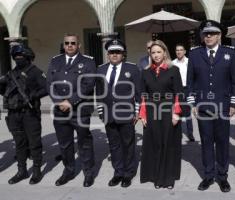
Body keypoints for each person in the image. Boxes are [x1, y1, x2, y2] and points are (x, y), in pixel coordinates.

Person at [187, 20, 235, 193]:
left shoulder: (230, 53)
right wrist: (192, 103)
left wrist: (233, 103)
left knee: (223, 142)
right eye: (206, 34)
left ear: (219, 35)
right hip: (203, 107)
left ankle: (222, 177)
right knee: (207, 142)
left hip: (223, 106)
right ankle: (209, 175)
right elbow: (190, 81)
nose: (208, 36)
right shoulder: (195, 54)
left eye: (212, 33)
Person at [47, 33, 96, 187]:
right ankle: (68, 171)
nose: (69, 45)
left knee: (84, 142)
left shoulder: (88, 62)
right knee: (65, 144)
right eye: (67, 43)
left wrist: (70, 101)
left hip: (80, 110)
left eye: (73, 43)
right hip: (60, 111)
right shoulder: (55, 61)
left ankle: (88, 173)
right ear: (63, 45)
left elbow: (88, 84)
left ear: (78, 45)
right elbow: (49, 84)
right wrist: (59, 101)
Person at [96, 39, 141, 188]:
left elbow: (139, 93)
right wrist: (102, 113)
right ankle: (118, 172)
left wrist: (136, 112)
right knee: (114, 145)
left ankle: (128, 173)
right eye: (111, 52)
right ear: (108, 54)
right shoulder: (101, 69)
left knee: (128, 145)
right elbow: (99, 93)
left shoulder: (132, 69)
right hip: (109, 115)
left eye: (118, 52)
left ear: (123, 54)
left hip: (126, 114)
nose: (114, 55)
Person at [0, 44, 47, 184]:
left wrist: (34, 95)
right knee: (19, 143)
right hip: (14, 113)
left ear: (28, 57)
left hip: (30, 113)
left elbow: (47, 88)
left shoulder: (35, 71)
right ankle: (22, 171)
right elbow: (6, 92)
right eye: (16, 57)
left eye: (21, 57)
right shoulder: (11, 74)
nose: (18, 59)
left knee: (34, 143)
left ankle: (37, 170)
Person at [139, 40, 183, 189]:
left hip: (168, 110)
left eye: (159, 52)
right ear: (150, 54)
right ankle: (156, 177)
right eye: (153, 52)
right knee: (155, 144)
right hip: (151, 111)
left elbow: (178, 93)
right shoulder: (145, 71)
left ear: (165, 52)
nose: (156, 55)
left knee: (168, 144)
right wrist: (142, 114)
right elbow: (143, 95)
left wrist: (176, 113)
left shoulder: (173, 70)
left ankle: (168, 179)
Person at [172, 44, 195, 142]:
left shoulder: (189, 62)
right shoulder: (172, 63)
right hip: (177, 89)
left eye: (181, 50)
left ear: (184, 51)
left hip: (187, 89)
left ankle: (190, 134)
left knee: (188, 112)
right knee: (178, 110)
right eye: (177, 50)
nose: (179, 52)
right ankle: (178, 133)